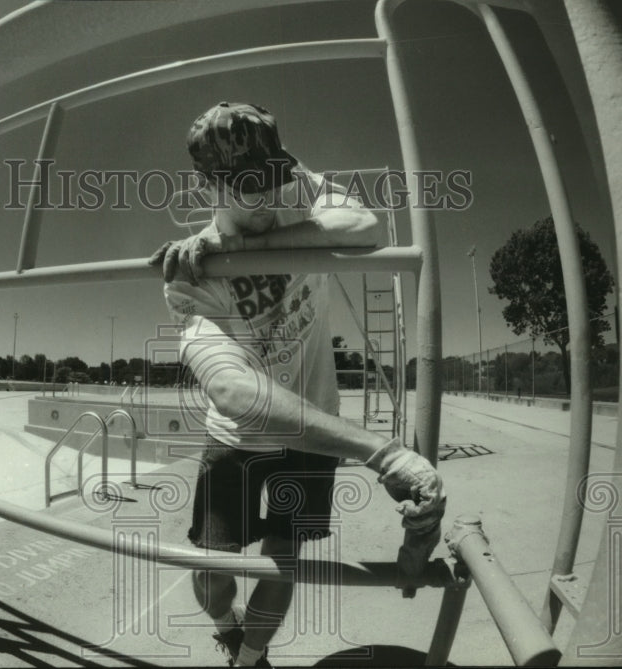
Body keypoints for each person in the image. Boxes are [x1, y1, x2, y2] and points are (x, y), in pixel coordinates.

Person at [148, 102, 446, 667]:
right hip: (238, 436)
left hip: (311, 428)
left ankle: (250, 659)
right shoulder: (190, 277)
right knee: (212, 574)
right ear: (210, 184)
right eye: (244, 185)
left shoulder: (297, 183)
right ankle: (228, 627)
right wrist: (381, 452)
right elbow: (235, 392)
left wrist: (248, 248)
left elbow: (367, 224)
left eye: (271, 177)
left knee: (283, 559)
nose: (265, 196)